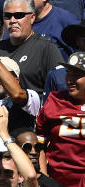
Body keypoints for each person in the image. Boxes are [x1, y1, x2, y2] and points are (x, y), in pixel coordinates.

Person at [0, 0, 64, 96]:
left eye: (19, 15)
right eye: (8, 16)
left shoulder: (46, 49)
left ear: (32, 18)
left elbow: (60, 91)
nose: (12, 21)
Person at [36, 51, 85, 185]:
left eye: (77, 75)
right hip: (56, 180)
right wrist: (44, 176)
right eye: (68, 73)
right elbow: (39, 142)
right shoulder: (55, 100)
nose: (69, 80)